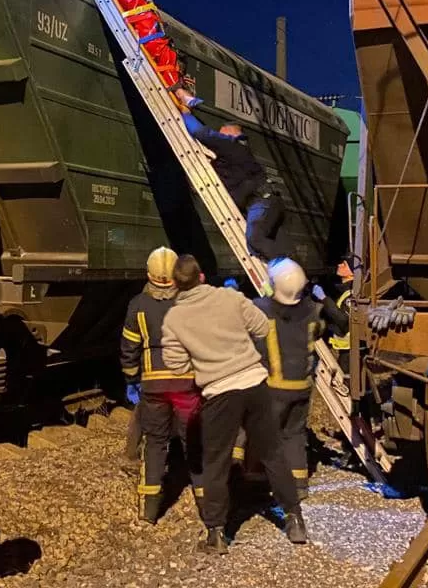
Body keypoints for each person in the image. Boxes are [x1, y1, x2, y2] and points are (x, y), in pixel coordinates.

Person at [161, 254, 308, 553]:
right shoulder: (230, 297)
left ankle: (216, 534)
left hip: (219, 393)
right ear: (202, 276)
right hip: (254, 384)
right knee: (272, 453)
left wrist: (201, 359)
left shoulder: (174, 319)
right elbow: (261, 327)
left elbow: (174, 364)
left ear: (175, 284)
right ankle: (294, 520)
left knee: (216, 462)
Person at [120, 246, 204, 524]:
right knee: (194, 441)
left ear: (149, 274)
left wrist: (132, 379)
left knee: (155, 442)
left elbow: (129, 348)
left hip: (154, 385)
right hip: (186, 384)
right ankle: (207, 506)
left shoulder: (138, 305)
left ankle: (148, 511)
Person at [172, 89, 289, 261]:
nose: (219, 138)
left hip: (262, 201)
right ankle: (282, 268)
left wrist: (186, 114)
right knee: (264, 246)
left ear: (232, 133)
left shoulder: (232, 144)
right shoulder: (236, 156)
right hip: (267, 202)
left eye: (222, 134)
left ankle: (285, 272)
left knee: (255, 239)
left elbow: (201, 133)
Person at [253, 257, 319, 502]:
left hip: (274, 387)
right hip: (303, 385)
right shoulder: (311, 310)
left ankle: (262, 481)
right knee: (295, 434)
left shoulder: (262, 308)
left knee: (268, 435)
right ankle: (299, 483)